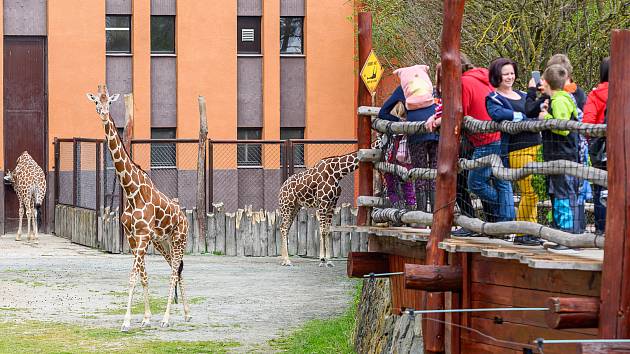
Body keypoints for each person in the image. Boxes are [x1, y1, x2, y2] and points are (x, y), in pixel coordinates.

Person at [485, 58, 542, 246]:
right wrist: (524, 116)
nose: (510, 77)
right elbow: (498, 114)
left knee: (536, 191)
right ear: (497, 76)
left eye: (512, 73)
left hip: (537, 144)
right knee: (529, 191)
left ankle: (530, 231)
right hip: (517, 149)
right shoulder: (493, 98)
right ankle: (523, 232)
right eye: (505, 73)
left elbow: (538, 110)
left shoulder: (524, 94)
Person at [379, 65, 439, 212]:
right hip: (436, 131)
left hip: (415, 134)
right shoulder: (429, 86)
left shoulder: (403, 89)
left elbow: (383, 112)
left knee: (420, 172)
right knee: (435, 171)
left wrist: (400, 122)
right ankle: (437, 213)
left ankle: (421, 215)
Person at [538, 64, 584, 238]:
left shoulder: (560, 100)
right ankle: (562, 232)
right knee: (560, 193)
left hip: (563, 154)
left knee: (564, 194)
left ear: (547, 83)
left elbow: (563, 127)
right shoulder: (561, 99)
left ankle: (567, 233)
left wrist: (546, 117)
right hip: (557, 155)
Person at [428, 63, 476, 222]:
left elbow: (461, 110)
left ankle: (474, 219)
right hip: (454, 141)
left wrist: (443, 119)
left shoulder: (462, 86)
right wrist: (434, 117)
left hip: (467, 140)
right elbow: (442, 108)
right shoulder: (446, 90)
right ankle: (470, 219)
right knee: (457, 183)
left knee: (465, 181)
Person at [583, 57, 610, 234]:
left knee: (601, 187)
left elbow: (588, 123)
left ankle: (602, 229)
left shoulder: (596, 95)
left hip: (601, 150)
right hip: (623, 148)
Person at [379, 102, 417, 209]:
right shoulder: (410, 125)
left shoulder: (389, 125)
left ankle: (397, 210)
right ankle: (411, 209)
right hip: (405, 161)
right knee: (408, 187)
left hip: (391, 161)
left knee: (392, 188)